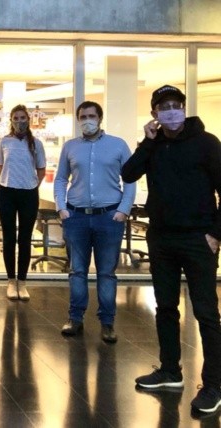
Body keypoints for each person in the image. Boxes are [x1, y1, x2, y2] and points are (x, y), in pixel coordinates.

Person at [123, 85, 221, 414]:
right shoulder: (154, 145)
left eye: (175, 105)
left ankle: (214, 384)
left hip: (198, 239)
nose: (171, 111)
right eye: (163, 107)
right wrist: (147, 141)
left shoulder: (207, 143)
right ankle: (170, 370)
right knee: (165, 307)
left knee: (206, 313)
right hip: (162, 238)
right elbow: (128, 173)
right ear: (154, 114)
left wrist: (215, 234)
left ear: (184, 107)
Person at [54, 100, 136, 343]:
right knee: (77, 270)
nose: (87, 120)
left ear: (100, 118)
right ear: (78, 120)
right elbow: (61, 179)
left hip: (109, 217)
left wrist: (124, 210)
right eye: (83, 117)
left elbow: (130, 180)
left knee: (106, 273)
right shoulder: (70, 147)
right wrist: (61, 207)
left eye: (91, 116)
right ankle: (75, 318)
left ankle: (107, 322)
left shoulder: (118, 145)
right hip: (76, 216)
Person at [0, 104, 46, 301]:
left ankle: (22, 283)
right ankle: (11, 281)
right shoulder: (4, 142)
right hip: (6, 192)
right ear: (11, 121)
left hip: (29, 194)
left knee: (25, 238)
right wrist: (10, 181)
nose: (19, 122)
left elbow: (41, 169)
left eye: (22, 118)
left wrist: (31, 184)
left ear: (28, 120)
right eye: (16, 118)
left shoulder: (36, 144)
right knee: (9, 238)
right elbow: (0, 165)